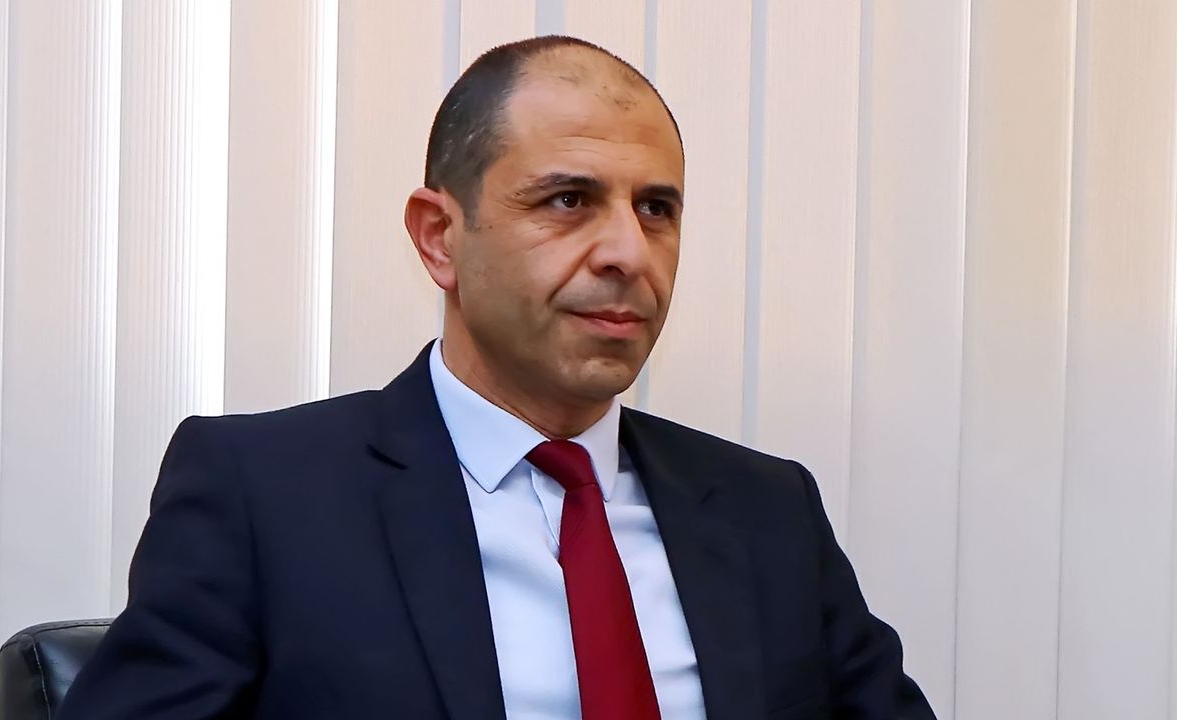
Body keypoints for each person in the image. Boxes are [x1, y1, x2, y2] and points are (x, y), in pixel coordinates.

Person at [60, 35, 936, 720]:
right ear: (440, 237)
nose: (629, 252)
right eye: (568, 200)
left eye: (656, 209)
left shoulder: (767, 511)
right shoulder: (263, 495)